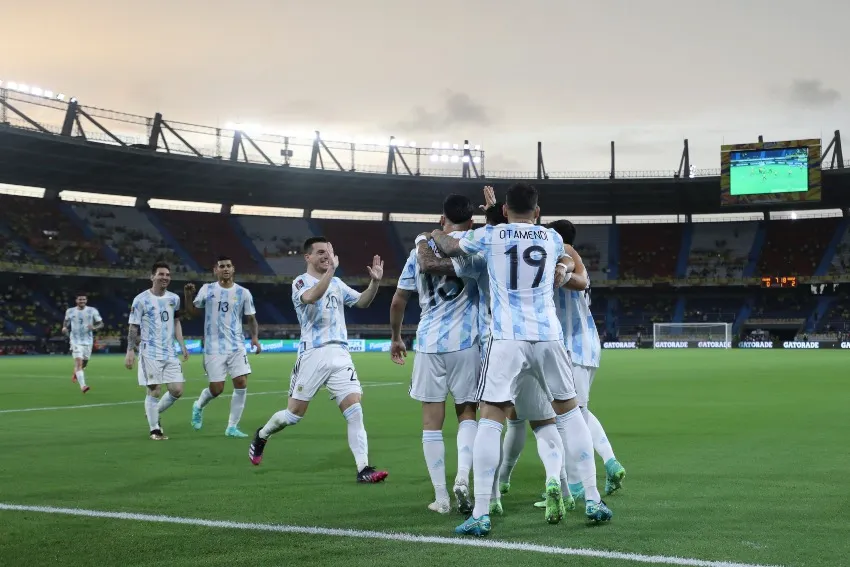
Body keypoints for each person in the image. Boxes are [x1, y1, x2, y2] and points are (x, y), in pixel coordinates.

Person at [430, 182, 612, 536]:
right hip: (548, 336)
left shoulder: (491, 235)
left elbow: (449, 246)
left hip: (507, 338)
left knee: (491, 420)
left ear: (505, 209)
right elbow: (567, 265)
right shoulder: (552, 238)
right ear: (537, 211)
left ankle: (481, 512)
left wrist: (435, 233)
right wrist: (562, 270)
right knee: (570, 414)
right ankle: (592, 498)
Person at [248, 238, 389, 484]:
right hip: (313, 354)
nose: (327, 256)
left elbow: (363, 301)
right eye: (321, 252)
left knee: (355, 410)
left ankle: (363, 468)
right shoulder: (300, 282)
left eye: (329, 252)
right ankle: (262, 434)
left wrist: (374, 283)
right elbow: (312, 297)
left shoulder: (337, 283)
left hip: (340, 353)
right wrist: (331, 271)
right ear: (308, 257)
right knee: (293, 415)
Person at [389, 194, 481, 515]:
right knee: (467, 414)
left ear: (442, 220)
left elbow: (398, 300)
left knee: (431, 423)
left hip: (429, 344)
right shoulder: (475, 247)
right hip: (466, 343)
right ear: (471, 222)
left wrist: (396, 337)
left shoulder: (419, 251)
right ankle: (463, 479)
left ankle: (441, 498)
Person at [184, 256, 262, 438]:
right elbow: (193, 313)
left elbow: (251, 317)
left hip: (236, 345)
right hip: (213, 347)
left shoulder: (243, 293)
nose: (225, 269)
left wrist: (255, 338)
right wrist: (188, 296)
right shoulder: (208, 289)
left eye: (228, 266)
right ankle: (198, 405)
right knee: (217, 388)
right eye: (221, 266)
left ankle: (232, 427)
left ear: (233, 269)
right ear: (215, 270)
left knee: (241, 383)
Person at [125, 261, 190, 441]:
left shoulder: (174, 299)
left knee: (177, 390)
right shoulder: (141, 300)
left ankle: (153, 411)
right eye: (161, 274)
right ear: (152, 276)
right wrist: (130, 350)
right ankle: (155, 429)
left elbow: (176, 322)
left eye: (167, 275)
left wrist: (182, 344)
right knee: (154, 389)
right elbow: (133, 327)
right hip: (150, 352)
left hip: (169, 352)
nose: (165, 277)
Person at [62, 292, 103, 394]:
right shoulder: (70, 311)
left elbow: (101, 324)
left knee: (84, 363)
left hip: (88, 341)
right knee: (79, 362)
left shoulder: (92, 310)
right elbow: (66, 321)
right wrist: (64, 327)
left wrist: (94, 327)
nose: (82, 301)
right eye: (80, 299)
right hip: (75, 340)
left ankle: (76, 372)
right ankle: (83, 386)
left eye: (84, 299)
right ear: (76, 300)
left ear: (86, 300)